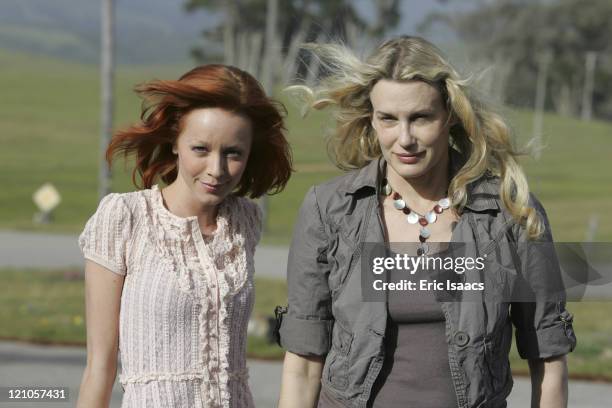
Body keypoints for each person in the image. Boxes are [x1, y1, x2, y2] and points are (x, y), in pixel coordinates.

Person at [276, 36, 576, 408]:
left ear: (449, 115)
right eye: (388, 118)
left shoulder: (510, 214)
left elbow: (547, 356)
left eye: (420, 117)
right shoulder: (329, 209)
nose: (405, 139)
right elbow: (303, 362)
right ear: (371, 118)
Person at [76, 64, 292, 408]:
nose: (217, 170)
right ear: (175, 142)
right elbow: (98, 368)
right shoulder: (124, 218)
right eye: (201, 149)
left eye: (233, 153)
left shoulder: (246, 221)